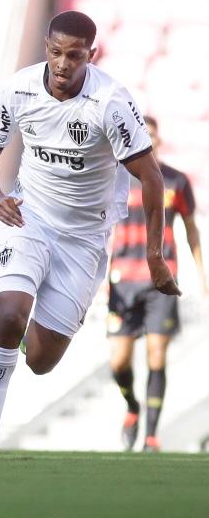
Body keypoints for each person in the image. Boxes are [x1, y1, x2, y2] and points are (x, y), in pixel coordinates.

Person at [0, 10, 179, 461]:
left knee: (41, 362)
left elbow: (153, 179)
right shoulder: (18, 90)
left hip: (84, 238)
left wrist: (156, 257)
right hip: (29, 218)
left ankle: (30, 337)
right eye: (56, 52)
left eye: (75, 56)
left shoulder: (111, 103)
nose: (63, 64)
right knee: (8, 314)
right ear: (46, 46)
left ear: (92, 55)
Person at [108, 115, 204, 452]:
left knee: (156, 356)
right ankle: (132, 406)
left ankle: (151, 436)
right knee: (119, 361)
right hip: (123, 282)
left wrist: (201, 278)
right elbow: (103, 230)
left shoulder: (175, 181)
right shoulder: (116, 178)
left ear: (158, 141)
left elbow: (192, 230)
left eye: (151, 136)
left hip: (161, 282)